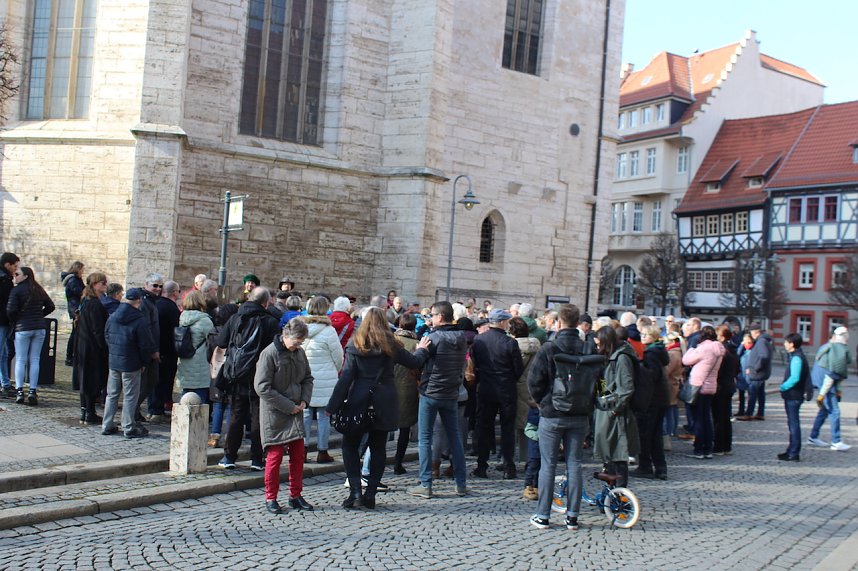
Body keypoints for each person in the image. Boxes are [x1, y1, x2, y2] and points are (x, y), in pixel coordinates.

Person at [326, 307, 430, 509]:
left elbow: (346, 378)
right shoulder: (391, 344)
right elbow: (414, 361)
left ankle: (355, 491)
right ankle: (371, 493)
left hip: (359, 398)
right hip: (385, 399)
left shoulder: (355, 345)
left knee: (350, 444)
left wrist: (333, 405)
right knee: (378, 446)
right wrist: (422, 349)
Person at [527, 304, 592, 531]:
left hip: (552, 412)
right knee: (574, 464)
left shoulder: (549, 347)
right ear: (577, 323)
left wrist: (542, 402)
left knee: (549, 464)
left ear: (559, 322)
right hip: (580, 411)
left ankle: (543, 515)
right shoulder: (587, 347)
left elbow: (534, 382)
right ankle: (572, 516)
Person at [407, 301, 469, 499]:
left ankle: (426, 484)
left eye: (432, 315)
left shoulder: (432, 338)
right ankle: (461, 483)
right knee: (455, 438)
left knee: (425, 439)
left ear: (440, 317)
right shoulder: (461, 337)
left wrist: (420, 349)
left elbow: (416, 362)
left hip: (431, 393)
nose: (430, 319)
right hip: (451, 393)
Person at [216, 287, 281, 470]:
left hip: (237, 374)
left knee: (237, 415)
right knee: (258, 417)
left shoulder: (235, 318)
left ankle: (229, 457)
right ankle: (256, 459)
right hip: (260, 375)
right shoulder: (270, 321)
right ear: (265, 303)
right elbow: (275, 351)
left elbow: (221, 341)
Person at [255, 318, 314, 514]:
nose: (299, 345)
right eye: (297, 342)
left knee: (298, 455)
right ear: (286, 336)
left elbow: (307, 378)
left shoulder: (299, 353)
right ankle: (270, 497)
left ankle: (295, 495)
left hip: (295, 410)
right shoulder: (269, 354)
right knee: (275, 457)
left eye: (301, 342)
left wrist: (305, 400)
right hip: (275, 412)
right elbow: (262, 387)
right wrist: (289, 406)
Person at [470, 308, 525, 479]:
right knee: (507, 429)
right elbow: (518, 369)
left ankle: (482, 465)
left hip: (486, 388)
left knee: (484, 427)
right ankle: (509, 466)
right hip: (506, 389)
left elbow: (475, 364)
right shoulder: (510, 343)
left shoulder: (479, 340)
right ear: (502, 322)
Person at [102, 288, 156, 438]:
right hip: (132, 363)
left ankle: (107, 424)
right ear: (138, 301)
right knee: (130, 395)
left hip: (114, 360)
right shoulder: (139, 319)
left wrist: (113, 351)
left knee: (112, 394)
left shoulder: (113, 315)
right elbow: (145, 344)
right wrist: (144, 362)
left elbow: (106, 335)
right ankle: (128, 426)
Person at [299, 296, 343, 464]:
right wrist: (334, 371)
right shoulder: (329, 331)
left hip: (305, 378)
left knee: (306, 414)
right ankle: (322, 450)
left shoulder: (301, 328)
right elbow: (338, 356)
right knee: (324, 416)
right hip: (325, 378)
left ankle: (302, 450)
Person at [593, 326, 639, 487]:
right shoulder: (611, 358)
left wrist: (614, 409)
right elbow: (605, 384)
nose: (597, 348)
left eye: (599, 344)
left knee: (618, 458)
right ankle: (611, 497)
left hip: (616, 415)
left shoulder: (621, 359)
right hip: (607, 410)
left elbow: (626, 388)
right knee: (609, 458)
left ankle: (619, 498)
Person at [7, 267, 56, 405]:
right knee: (35, 359)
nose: (14, 276)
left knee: (21, 359)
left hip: (22, 328)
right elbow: (51, 306)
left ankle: (20, 391)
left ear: (26, 276)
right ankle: (33, 390)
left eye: (17, 274)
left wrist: (16, 320)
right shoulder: (38, 290)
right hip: (39, 328)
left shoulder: (16, 290)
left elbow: (10, 310)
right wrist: (40, 316)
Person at [682, 326, 725, 459]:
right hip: (710, 386)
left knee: (699, 419)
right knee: (707, 418)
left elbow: (686, 360)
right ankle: (708, 448)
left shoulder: (704, 348)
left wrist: (692, 348)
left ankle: (699, 449)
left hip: (699, 386)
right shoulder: (719, 348)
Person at [633, 325, 669, 480]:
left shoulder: (651, 352)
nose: (643, 336)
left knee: (647, 434)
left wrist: (639, 367)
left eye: (646, 334)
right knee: (655, 435)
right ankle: (660, 467)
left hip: (652, 399)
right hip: (660, 398)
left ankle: (646, 466)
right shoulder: (658, 351)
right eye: (642, 334)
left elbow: (652, 375)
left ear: (653, 337)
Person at [73, 272, 110, 425]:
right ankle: (88, 411)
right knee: (91, 379)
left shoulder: (86, 301)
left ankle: (86, 411)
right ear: (95, 284)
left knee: (85, 379)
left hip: (84, 345)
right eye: (103, 283)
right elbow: (97, 329)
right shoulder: (93, 303)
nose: (105, 286)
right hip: (91, 347)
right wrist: (103, 347)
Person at [808, 327, 853, 451]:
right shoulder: (837, 352)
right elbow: (831, 376)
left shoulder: (827, 348)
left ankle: (813, 436)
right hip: (825, 383)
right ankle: (836, 441)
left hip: (823, 381)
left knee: (824, 411)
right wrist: (822, 394)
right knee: (834, 411)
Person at [392, 313, 420, 474]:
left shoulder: (391, 342)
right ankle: (398, 463)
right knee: (404, 429)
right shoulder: (417, 344)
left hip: (390, 387)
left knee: (381, 428)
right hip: (408, 388)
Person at [149, 280, 181, 421]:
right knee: (164, 381)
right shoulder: (172, 308)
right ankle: (157, 410)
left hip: (155, 348)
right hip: (167, 351)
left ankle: (153, 409)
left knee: (154, 381)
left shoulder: (155, 304)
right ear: (174, 292)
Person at [176, 291, 215, 403]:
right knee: (200, 396)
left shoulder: (182, 318)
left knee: (186, 394)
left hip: (185, 360)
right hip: (200, 362)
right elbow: (213, 340)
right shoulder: (204, 320)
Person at [778, 333, 811, 461]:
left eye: (786, 342)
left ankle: (793, 452)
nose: (785, 344)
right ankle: (791, 450)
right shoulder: (796, 356)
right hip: (794, 395)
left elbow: (795, 378)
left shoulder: (797, 358)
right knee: (792, 423)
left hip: (794, 395)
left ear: (792, 344)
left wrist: (783, 387)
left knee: (793, 424)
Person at [737, 322, 772, 421]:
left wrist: (755, 368)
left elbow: (764, 356)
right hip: (761, 373)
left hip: (757, 373)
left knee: (752, 393)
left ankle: (748, 414)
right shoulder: (764, 340)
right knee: (760, 394)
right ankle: (760, 413)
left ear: (754, 332)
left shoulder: (761, 341)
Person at [713, 325, 739, 455]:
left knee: (718, 418)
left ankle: (719, 446)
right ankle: (727, 446)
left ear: (722, 337)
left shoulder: (723, 351)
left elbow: (719, 370)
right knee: (726, 418)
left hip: (721, 387)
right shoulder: (734, 350)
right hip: (729, 385)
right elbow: (737, 370)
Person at [0, 252, 20, 398]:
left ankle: (5, 383)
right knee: (2, 353)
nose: (15, 269)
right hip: (2, 321)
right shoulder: (4, 280)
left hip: (3, 321)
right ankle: (5, 384)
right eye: (14, 265)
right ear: (7, 264)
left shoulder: (4, 278)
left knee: (4, 353)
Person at [61, 261, 85, 366]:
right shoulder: (73, 280)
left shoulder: (75, 280)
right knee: (75, 333)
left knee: (75, 333)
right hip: (75, 308)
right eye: (82, 269)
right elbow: (80, 293)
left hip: (75, 307)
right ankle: (70, 357)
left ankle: (71, 356)